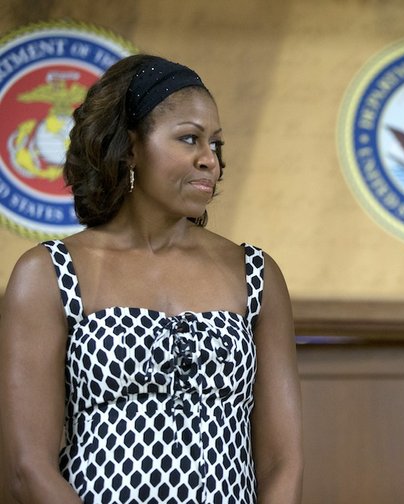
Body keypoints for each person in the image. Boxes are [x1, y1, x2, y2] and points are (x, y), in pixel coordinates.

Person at [0, 54, 303, 503]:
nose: (209, 161)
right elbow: (29, 469)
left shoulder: (255, 274)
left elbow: (284, 462)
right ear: (130, 147)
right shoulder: (47, 273)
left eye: (215, 145)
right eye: (189, 139)